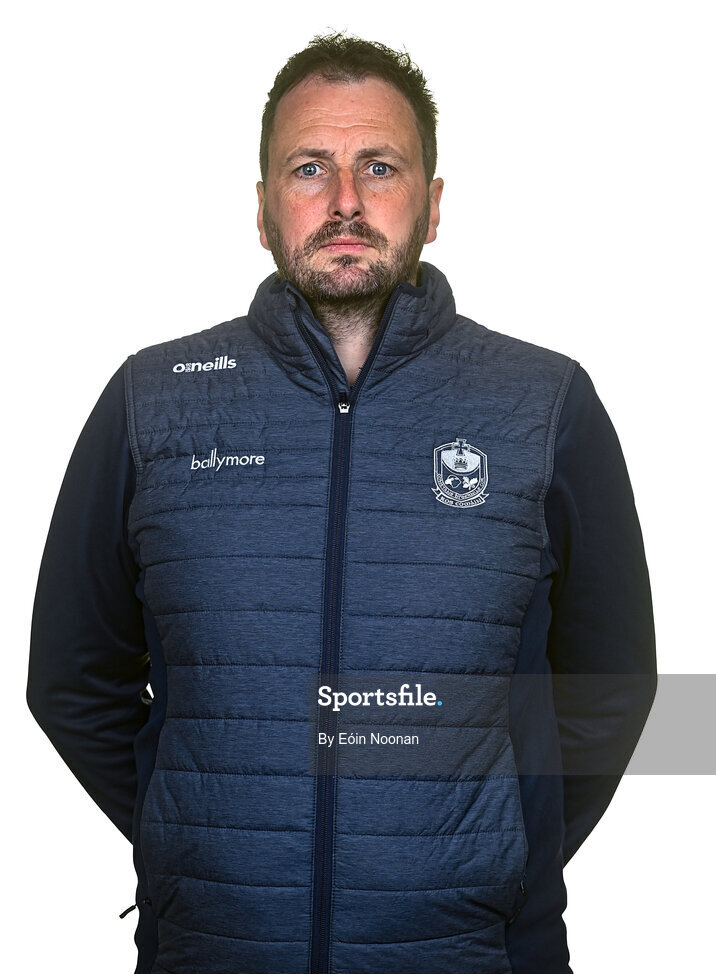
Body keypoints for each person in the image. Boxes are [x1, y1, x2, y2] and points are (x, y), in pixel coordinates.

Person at [26, 31, 657, 974]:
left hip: (475, 956)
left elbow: (620, 684)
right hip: (213, 953)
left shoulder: (544, 403)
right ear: (263, 206)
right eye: (311, 168)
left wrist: (496, 850)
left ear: (433, 205)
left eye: (381, 167)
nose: (347, 201)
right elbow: (69, 681)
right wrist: (197, 842)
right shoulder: (151, 401)